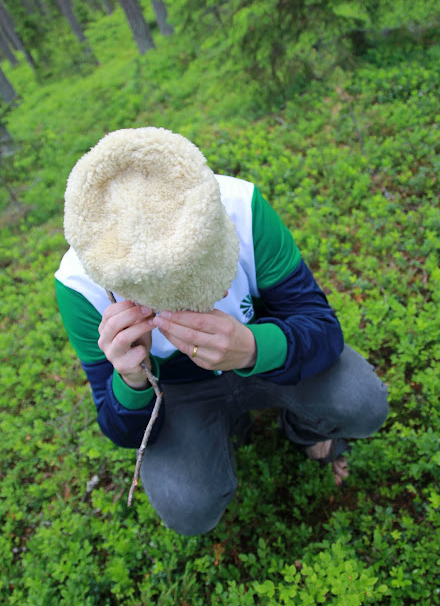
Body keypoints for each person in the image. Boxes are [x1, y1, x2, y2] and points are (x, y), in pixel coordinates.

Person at [55, 127, 389, 536]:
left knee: (363, 403)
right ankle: (228, 428)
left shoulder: (238, 207)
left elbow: (321, 328)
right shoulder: (80, 283)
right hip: (181, 393)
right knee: (187, 506)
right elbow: (119, 428)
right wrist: (131, 379)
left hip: (267, 354)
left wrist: (252, 348)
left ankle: (301, 429)